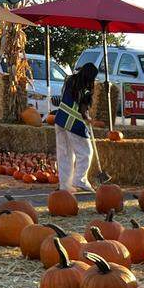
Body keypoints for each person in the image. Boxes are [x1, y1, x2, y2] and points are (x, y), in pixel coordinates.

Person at [53, 62, 98, 193]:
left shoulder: (71, 80)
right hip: (74, 123)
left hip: (60, 119)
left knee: (65, 154)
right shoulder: (87, 88)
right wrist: (88, 118)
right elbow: (83, 110)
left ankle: (65, 185)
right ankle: (80, 179)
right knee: (86, 153)